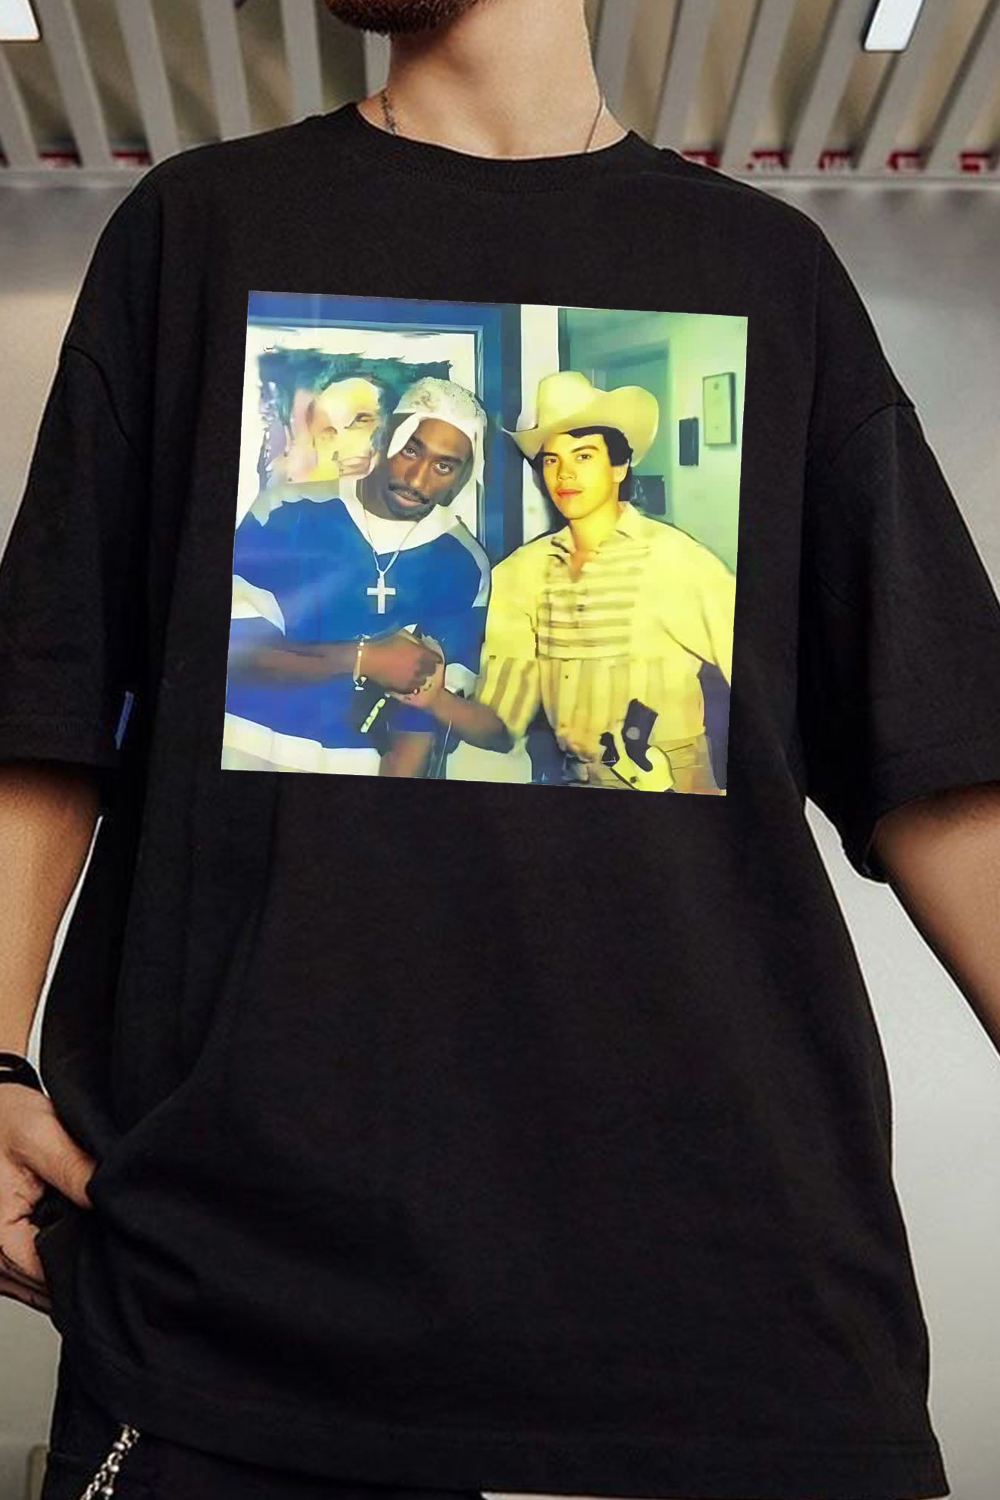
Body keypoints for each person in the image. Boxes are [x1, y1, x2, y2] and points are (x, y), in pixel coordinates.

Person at [0, 1, 999, 1499]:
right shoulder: (199, 232)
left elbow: (945, 751)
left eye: (468, 457)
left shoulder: (763, 271)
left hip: (729, 1289)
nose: (438, 466)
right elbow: (46, 698)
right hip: (238, 1298)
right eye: (432, 447)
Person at [401, 372, 735, 793]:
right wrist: (435, 698)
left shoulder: (677, 560)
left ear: (619, 466)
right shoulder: (520, 574)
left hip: (676, 787)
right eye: (552, 460)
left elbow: (763, 678)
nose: (565, 475)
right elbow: (502, 727)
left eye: (584, 456)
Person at [224, 374, 490, 777]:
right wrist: (365, 658)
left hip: (354, 774)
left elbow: (419, 722)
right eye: (410, 450)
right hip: (238, 750)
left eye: (443, 466)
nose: (417, 480)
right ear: (385, 439)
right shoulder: (285, 511)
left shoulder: (462, 563)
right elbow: (233, 653)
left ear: (462, 476)